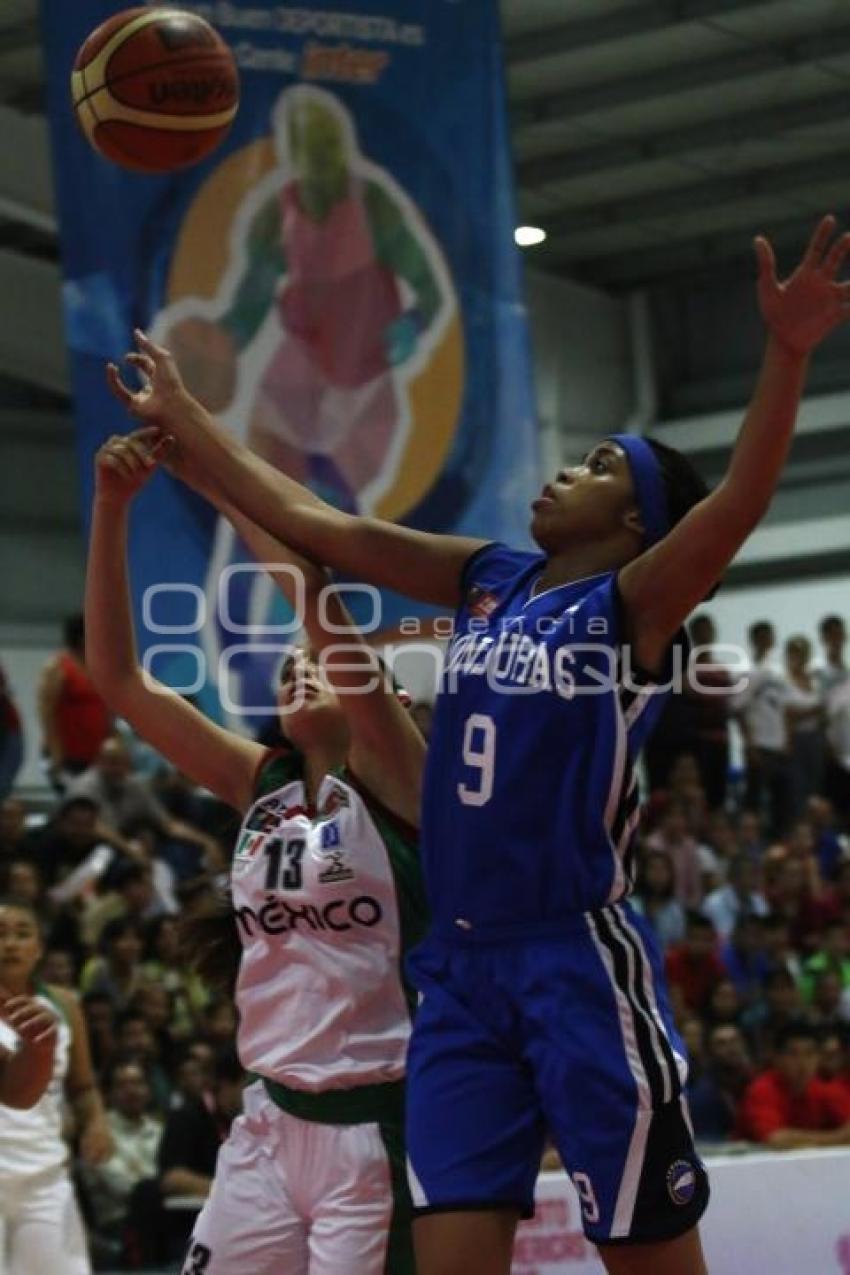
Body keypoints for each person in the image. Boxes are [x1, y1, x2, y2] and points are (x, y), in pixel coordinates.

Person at [109, 216, 850, 1275]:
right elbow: (318, 525)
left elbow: (736, 500)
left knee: (647, 1254)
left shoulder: (630, 608)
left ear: (637, 522)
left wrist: (785, 355)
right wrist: (189, 422)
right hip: (454, 972)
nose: (565, 472)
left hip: (570, 958)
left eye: (599, 466)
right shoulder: (490, 578)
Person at [85, 432, 427, 1274]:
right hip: (270, 1126)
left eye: (322, 661)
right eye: (292, 664)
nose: (301, 667)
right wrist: (113, 507)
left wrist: (211, 468)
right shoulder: (260, 784)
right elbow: (121, 680)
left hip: (379, 1130)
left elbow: (316, 600)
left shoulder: (402, 782)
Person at [0, 897, 112, 1273]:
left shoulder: (64, 1003)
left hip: (45, 1175)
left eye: (22, 934)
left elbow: (83, 1086)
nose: (11, 944)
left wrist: (96, 1123)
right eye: (0, 935)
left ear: (39, 948)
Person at [737, 1021, 850, 1148]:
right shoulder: (761, 1089)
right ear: (777, 1058)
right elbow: (775, 1139)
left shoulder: (821, 1088)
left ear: (819, 1058)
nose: (802, 1063)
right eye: (793, 1054)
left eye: (810, 1054)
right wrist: (838, 1137)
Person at [38, 613, 111, 790]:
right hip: (67, 754)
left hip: (96, 753)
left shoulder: (98, 668)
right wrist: (56, 752)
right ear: (81, 638)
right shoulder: (57, 667)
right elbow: (46, 712)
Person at [735, 619, 790, 837]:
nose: (767, 641)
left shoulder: (777, 673)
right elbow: (738, 710)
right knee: (755, 801)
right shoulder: (748, 672)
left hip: (778, 745)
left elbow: (783, 709)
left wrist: (787, 739)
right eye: (763, 636)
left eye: (769, 636)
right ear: (754, 640)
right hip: (760, 745)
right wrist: (749, 744)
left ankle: (778, 839)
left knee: (780, 801)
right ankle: (752, 841)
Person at [782, 634, 826, 819]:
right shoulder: (784, 683)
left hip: (815, 737)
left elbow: (823, 710)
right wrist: (812, 711)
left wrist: (812, 713)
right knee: (798, 786)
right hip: (796, 739)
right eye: (795, 653)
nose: (799, 658)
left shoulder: (815, 682)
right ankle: (800, 823)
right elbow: (788, 714)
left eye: (802, 653)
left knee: (816, 786)